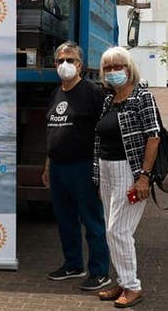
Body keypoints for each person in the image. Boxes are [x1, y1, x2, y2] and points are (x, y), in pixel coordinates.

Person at [93, 46, 161, 308]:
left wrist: (143, 177)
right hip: (107, 169)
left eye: (117, 66)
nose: (113, 71)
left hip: (128, 171)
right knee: (114, 232)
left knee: (118, 230)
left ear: (129, 67)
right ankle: (123, 281)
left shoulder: (142, 96)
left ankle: (133, 287)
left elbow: (153, 137)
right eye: (108, 67)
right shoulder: (110, 99)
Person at [43, 42, 111, 291]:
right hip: (59, 168)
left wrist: (102, 166)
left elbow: (105, 130)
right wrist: (47, 166)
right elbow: (51, 131)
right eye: (60, 60)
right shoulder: (55, 93)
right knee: (65, 220)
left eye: (70, 60)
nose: (65, 65)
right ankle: (73, 265)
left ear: (80, 65)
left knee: (92, 220)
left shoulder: (92, 93)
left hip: (83, 166)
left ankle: (100, 272)